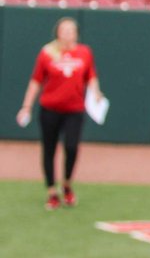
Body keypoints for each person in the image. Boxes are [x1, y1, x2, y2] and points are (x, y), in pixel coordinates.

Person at [16, 17, 102, 211]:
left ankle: (67, 184)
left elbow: (91, 77)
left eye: (71, 30)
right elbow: (36, 81)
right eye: (64, 30)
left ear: (77, 33)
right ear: (57, 32)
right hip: (50, 109)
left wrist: (96, 93)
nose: (67, 34)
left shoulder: (84, 52)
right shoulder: (48, 53)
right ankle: (52, 192)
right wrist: (26, 106)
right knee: (49, 149)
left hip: (74, 109)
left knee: (71, 147)